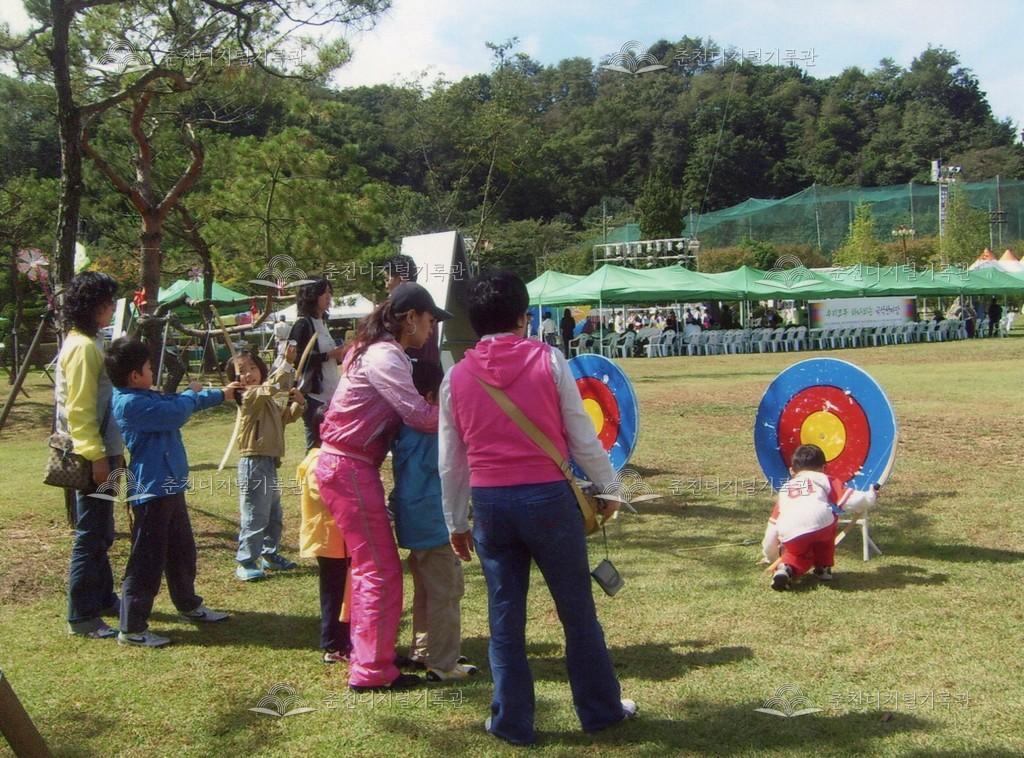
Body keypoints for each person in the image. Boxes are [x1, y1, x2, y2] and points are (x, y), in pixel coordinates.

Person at [440, 271, 636, 747]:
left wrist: (455, 521)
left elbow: (450, 461)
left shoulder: (455, 377)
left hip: (490, 507)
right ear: (522, 317)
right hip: (549, 501)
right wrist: (610, 486)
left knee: (505, 617)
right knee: (577, 612)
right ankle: (601, 711)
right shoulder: (549, 359)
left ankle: (511, 721)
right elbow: (580, 435)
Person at [315, 282, 451, 692]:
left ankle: (369, 656)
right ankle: (371, 671)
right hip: (349, 467)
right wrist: (464, 411)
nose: (431, 331)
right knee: (380, 569)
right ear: (410, 318)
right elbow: (418, 415)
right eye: (428, 321)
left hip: (348, 466)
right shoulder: (385, 355)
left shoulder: (368, 349)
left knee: (371, 567)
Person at [106, 338, 234, 646]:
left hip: (170, 487)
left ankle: (189, 604)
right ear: (135, 376)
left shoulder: (145, 395)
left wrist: (222, 394)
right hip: (151, 492)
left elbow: (180, 402)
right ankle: (133, 628)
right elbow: (177, 411)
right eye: (150, 368)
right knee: (146, 561)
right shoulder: (130, 403)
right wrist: (193, 394)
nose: (154, 372)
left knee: (182, 552)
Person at [390, 360, 478, 682]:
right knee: (447, 592)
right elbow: (452, 471)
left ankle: (424, 650)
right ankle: (443, 664)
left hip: (413, 522)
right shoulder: (433, 433)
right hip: (433, 523)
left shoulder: (404, 429)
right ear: (429, 397)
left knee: (426, 591)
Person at [54, 272, 124, 638]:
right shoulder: (82, 347)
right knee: (91, 532)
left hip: (105, 451)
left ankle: (104, 597)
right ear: (94, 306)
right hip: (92, 455)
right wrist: (97, 457)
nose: (112, 307)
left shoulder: (89, 341)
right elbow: (79, 411)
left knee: (101, 530)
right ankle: (81, 615)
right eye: (109, 302)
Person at [227, 350, 305, 581]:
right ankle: (246, 561)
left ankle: (270, 554)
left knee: (273, 515)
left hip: (269, 462)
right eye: (242, 371)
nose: (249, 374)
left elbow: (285, 418)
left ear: (261, 369)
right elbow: (272, 386)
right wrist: (287, 364)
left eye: (252, 368)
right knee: (255, 515)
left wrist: (299, 405)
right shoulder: (250, 397)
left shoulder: (266, 399)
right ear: (234, 379)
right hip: (254, 463)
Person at [769, 444, 879, 591]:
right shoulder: (824, 479)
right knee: (829, 524)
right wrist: (870, 496)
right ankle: (823, 567)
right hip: (821, 524)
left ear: (792, 470)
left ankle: (785, 568)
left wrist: (769, 555)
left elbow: (772, 526)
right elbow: (851, 501)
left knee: (798, 554)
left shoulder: (784, 490)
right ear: (824, 467)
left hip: (789, 531)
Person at [297, 404, 352, 664]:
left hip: (338, 540)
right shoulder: (318, 460)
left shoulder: (328, 456)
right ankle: (333, 644)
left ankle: (344, 639)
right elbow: (324, 493)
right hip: (329, 540)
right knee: (333, 591)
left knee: (343, 590)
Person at [288, 278, 344, 451]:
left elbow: (328, 358)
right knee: (315, 447)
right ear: (313, 295)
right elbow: (296, 359)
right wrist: (329, 355)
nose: (329, 296)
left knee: (329, 444)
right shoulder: (302, 324)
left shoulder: (323, 323)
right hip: (313, 398)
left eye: (330, 292)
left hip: (330, 395)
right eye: (324, 292)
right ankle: (308, 477)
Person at [382, 253, 441, 366]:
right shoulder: (427, 302)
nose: (386, 285)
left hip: (408, 372)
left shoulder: (396, 310)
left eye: (387, 279)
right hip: (431, 372)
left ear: (400, 280)